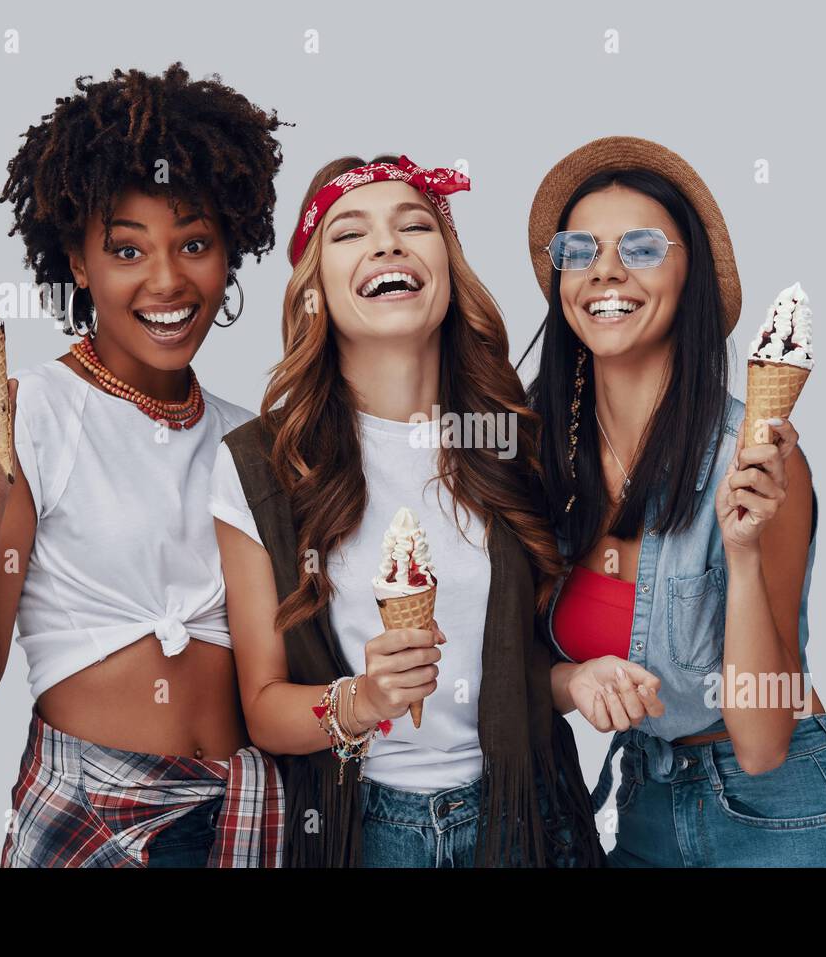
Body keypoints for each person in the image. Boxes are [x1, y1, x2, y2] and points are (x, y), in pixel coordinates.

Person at [0, 63, 289, 867]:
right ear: (79, 263)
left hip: (242, 819)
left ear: (229, 254)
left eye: (195, 243)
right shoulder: (32, 417)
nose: (166, 279)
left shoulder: (251, 440)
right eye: (127, 248)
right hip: (93, 821)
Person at [210, 154, 605, 867]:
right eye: (349, 233)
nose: (387, 243)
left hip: (527, 822)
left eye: (414, 224)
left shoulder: (520, 444)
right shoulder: (260, 464)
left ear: (449, 271)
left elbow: (533, 665)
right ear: (315, 292)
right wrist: (360, 700)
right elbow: (264, 706)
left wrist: (580, 679)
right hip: (362, 832)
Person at [520, 136, 826, 867]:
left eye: (640, 247)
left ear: (690, 272)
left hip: (787, 819)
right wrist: (570, 680)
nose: (605, 271)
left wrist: (745, 554)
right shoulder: (540, 459)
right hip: (645, 810)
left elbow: (760, 742)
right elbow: (503, 664)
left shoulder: (752, 461)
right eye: (580, 248)